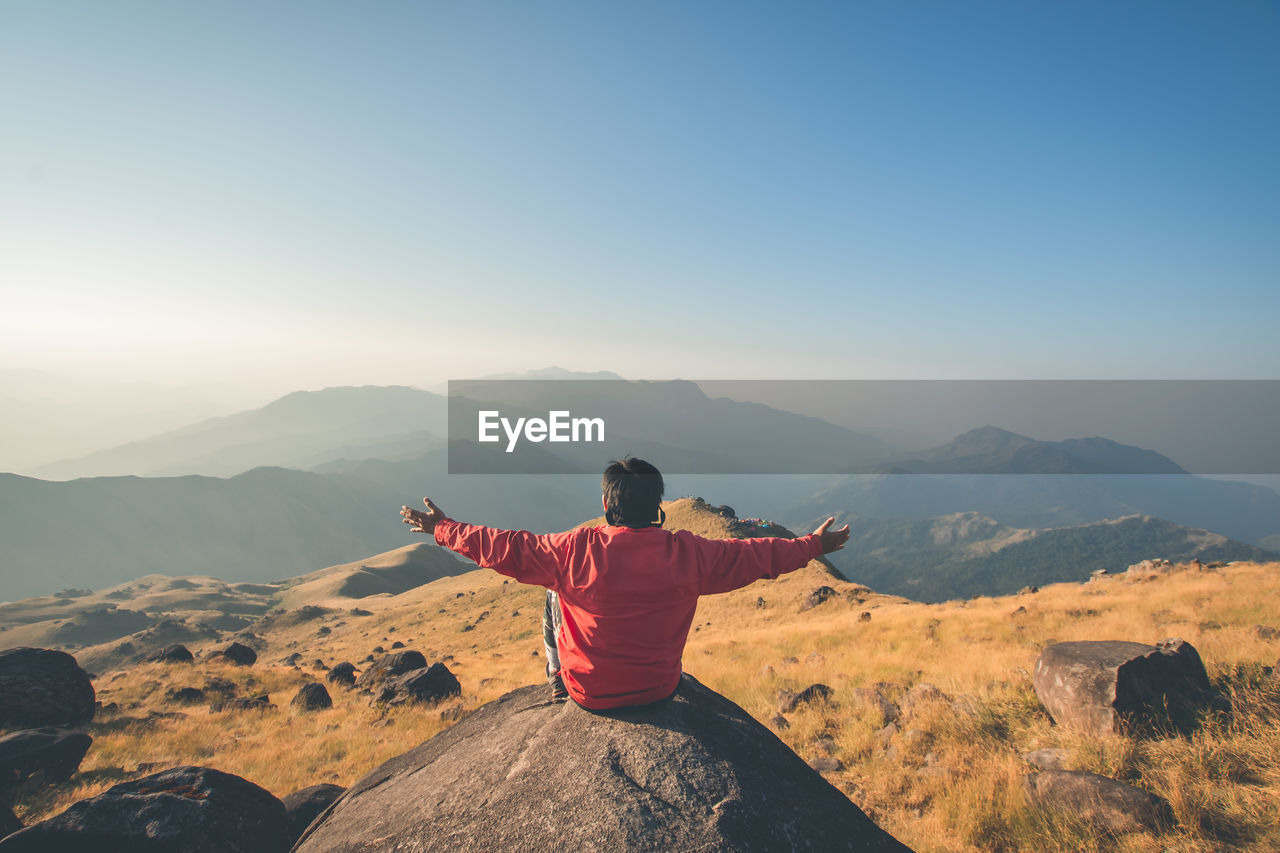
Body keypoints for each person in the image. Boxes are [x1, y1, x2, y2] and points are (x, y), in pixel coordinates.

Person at [400, 457, 850, 711]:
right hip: (660, 688)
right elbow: (758, 556)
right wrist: (813, 546)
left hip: (588, 693)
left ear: (605, 503)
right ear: (658, 504)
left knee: (552, 590)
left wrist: (443, 529)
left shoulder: (574, 551)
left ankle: (557, 678)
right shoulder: (691, 554)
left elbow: (506, 548)